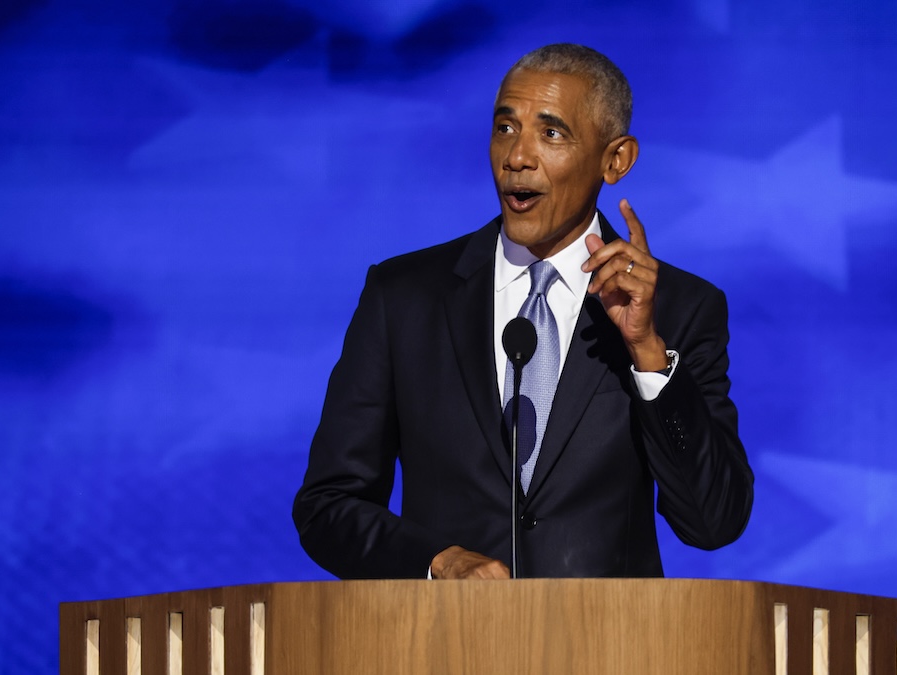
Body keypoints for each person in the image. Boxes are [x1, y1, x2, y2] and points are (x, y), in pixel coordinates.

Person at [292, 43, 753, 579]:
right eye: (505, 128)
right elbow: (327, 506)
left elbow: (714, 522)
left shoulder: (682, 308)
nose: (517, 157)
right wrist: (435, 562)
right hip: (446, 651)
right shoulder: (404, 297)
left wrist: (648, 353)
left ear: (615, 160)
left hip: (611, 652)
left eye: (551, 133)